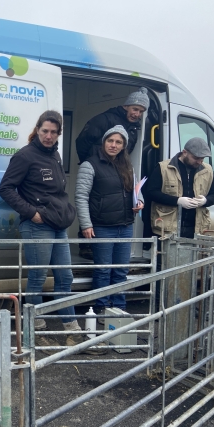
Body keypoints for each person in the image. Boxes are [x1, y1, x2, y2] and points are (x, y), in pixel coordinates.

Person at [0, 110, 104, 355]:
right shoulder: (25, 156)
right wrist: (32, 212)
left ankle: (72, 332)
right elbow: (5, 188)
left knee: (65, 278)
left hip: (57, 226)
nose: (48, 136)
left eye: (53, 132)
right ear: (37, 129)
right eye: (44, 131)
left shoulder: (55, 155)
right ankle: (35, 331)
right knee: (37, 279)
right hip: (37, 225)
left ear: (59, 134)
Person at [75, 125, 143, 319]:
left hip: (125, 225)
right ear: (104, 142)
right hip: (102, 227)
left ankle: (119, 308)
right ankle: (101, 308)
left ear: (123, 146)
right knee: (103, 270)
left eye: (118, 142)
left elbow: (137, 190)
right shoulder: (90, 164)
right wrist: (86, 224)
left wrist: (140, 202)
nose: (113, 145)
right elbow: (80, 196)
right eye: (110, 141)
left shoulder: (127, 166)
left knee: (121, 270)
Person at [75, 87, 149, 259]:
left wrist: (139, 200)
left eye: (141, 111)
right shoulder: (105, 119)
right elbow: (82, 141)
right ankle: (85, 246)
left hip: (117, 173)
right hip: (98, 168)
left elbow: (134, 183)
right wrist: (93, 161)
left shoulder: (134, 128)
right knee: (92, 200)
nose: (137, 114)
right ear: (126, 106)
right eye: (135, 109)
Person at [144, 137, 214, 239]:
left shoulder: (208, 170)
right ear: (184, 152)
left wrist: (205, 201)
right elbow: (151, 193)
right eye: (196, 158)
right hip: (166, 229)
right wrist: (177, 201)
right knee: (166, 255)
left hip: (196, 229)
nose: (199, 162)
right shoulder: (163, 168)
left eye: (202, 158)